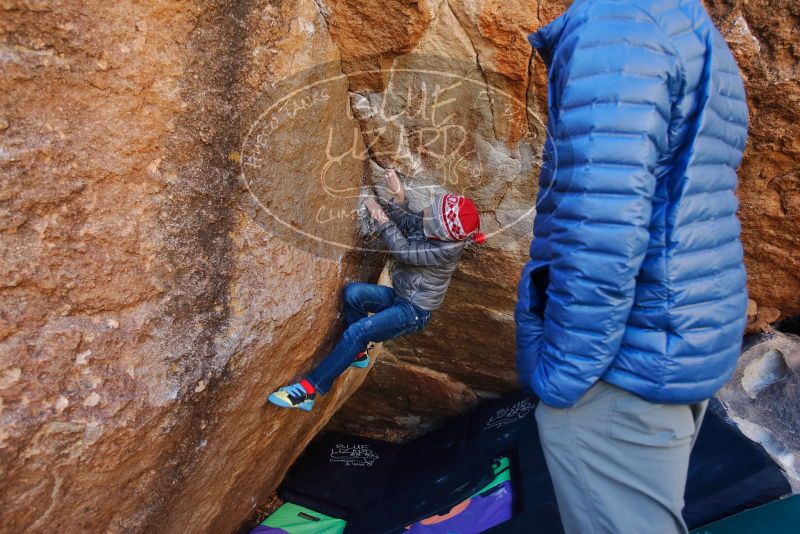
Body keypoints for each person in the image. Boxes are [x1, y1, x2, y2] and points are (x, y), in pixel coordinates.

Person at [515, 0, 749, 532]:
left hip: (622, 366)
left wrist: (562, 378)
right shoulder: (682, 21)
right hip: (675, 340)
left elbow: (603, 221)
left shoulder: (618, 22)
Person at [268, 169, 485, 411]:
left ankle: (309, 391)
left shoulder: (445, 251)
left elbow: (403, 251)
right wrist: (399, 195)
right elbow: (406, 220)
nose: (425, 211)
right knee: (353, 295)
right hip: (402, 297)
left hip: (414, 311)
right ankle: (357, 354)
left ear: (439, 229)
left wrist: (381, 219)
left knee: (358, 332)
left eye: (431, 213)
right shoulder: (434, 230)